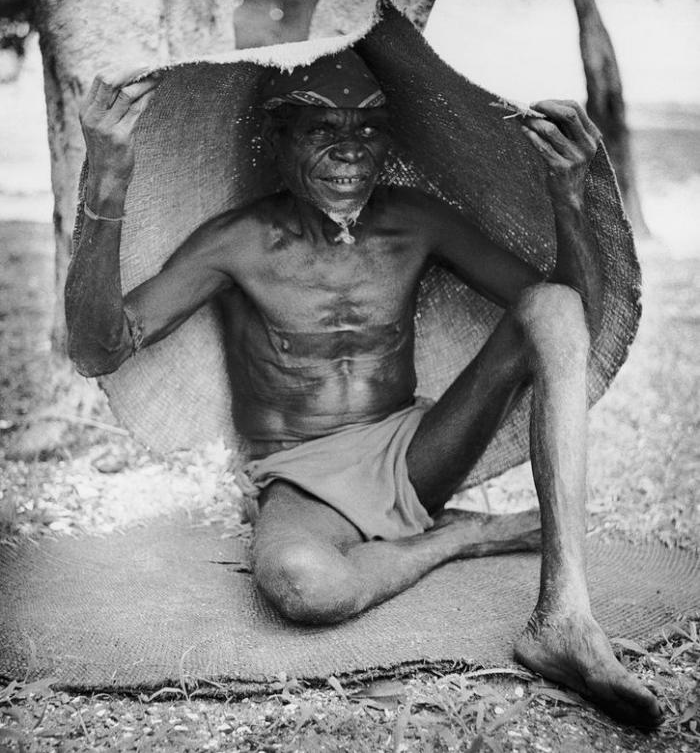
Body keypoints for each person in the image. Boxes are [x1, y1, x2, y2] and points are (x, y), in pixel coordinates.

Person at [65, 49, 661, 728]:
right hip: (302, 477)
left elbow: (571, 318)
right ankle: (460, 538)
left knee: (549, 306)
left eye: (369, 128)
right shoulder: (238, 242)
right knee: (304, 585)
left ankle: (565, 616)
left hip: (415, 455)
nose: (351, 149)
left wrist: (568, 197)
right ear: (278, 140)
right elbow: (96, 348)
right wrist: (107, 178)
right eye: (323, 128)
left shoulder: (414, 221)